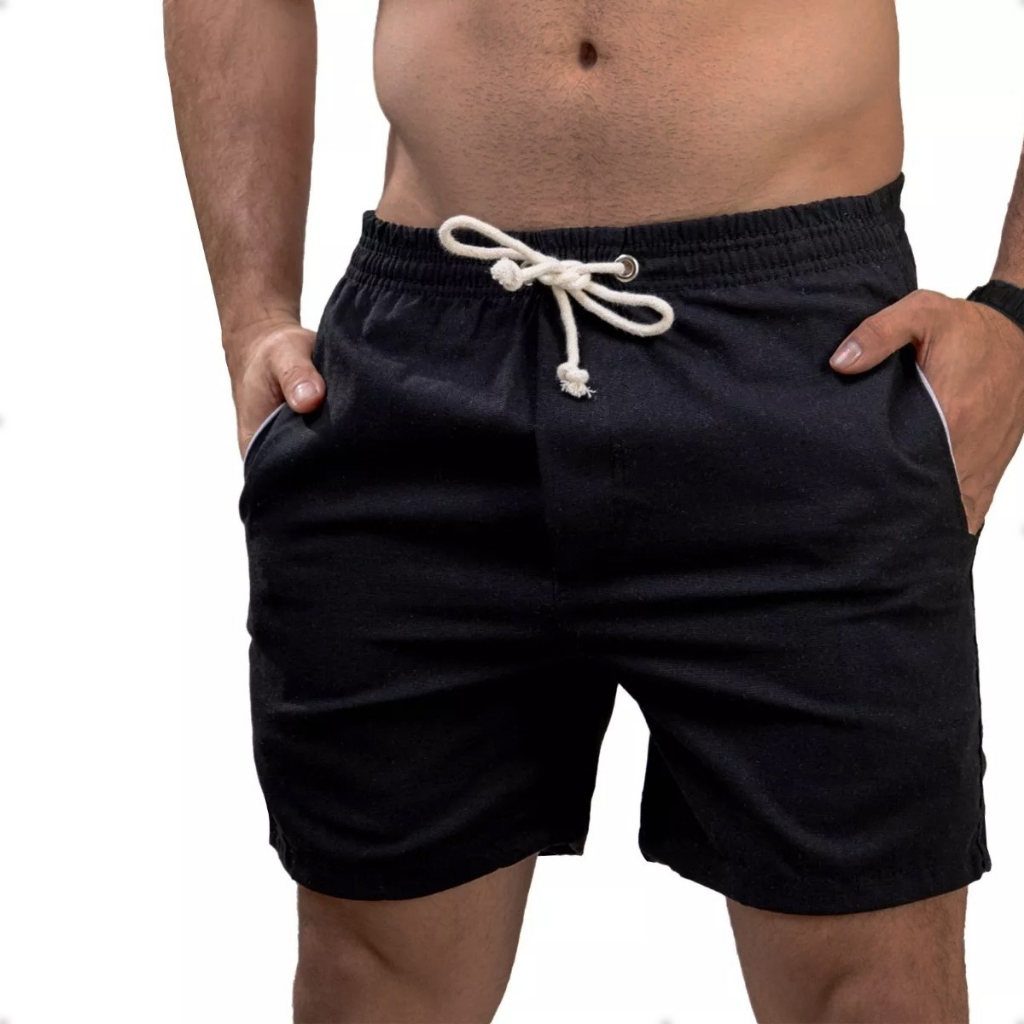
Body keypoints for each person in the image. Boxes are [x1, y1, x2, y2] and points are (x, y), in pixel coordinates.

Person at [164, 2, 1024, 1020]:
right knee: (369, 984)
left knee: (875, 995)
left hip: (804, 358)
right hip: (418, 363)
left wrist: (1017, 311)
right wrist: (252, 314)